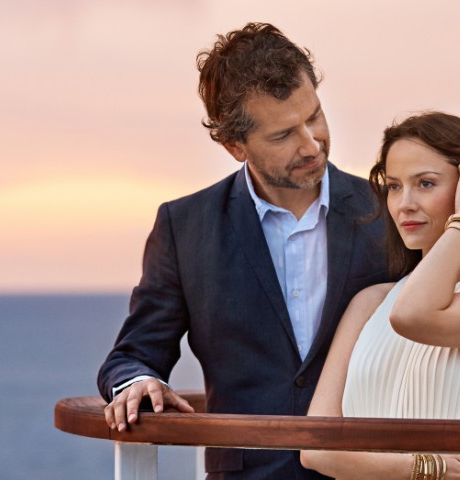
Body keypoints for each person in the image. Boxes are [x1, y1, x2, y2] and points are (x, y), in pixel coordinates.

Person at [97, 22, 396, 479]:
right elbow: (133, 354)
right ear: (234, 145)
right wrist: (138, 382)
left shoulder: (390, 212)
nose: (311, 144)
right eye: (283, 136)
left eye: (313, 116)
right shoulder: (184, 227)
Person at [300, 112, 460, 480]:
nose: (405, 204)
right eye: (395, 186)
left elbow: (413, 316)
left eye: (426, 184)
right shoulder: (369, 302)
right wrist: (429, 466)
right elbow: (315, 449)